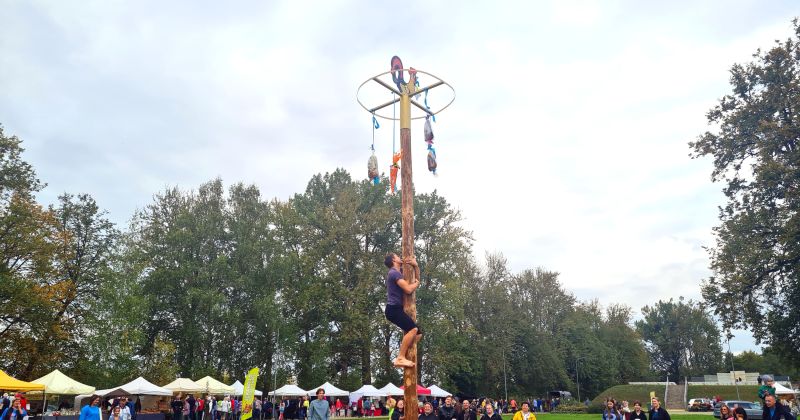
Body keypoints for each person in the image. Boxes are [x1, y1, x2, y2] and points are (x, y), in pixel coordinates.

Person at [384, 253, 422, 368]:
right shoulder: (394, 273)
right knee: (413, 329)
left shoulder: (401, 270)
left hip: (397, 309)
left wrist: (416, 266)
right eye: (397, 256)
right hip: (393, 310)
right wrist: (416, 284)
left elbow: (416, 278)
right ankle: (400, 358)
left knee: (418, 334)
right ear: (394, 260)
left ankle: (405, 352)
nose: (399, 256)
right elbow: (408, 289)